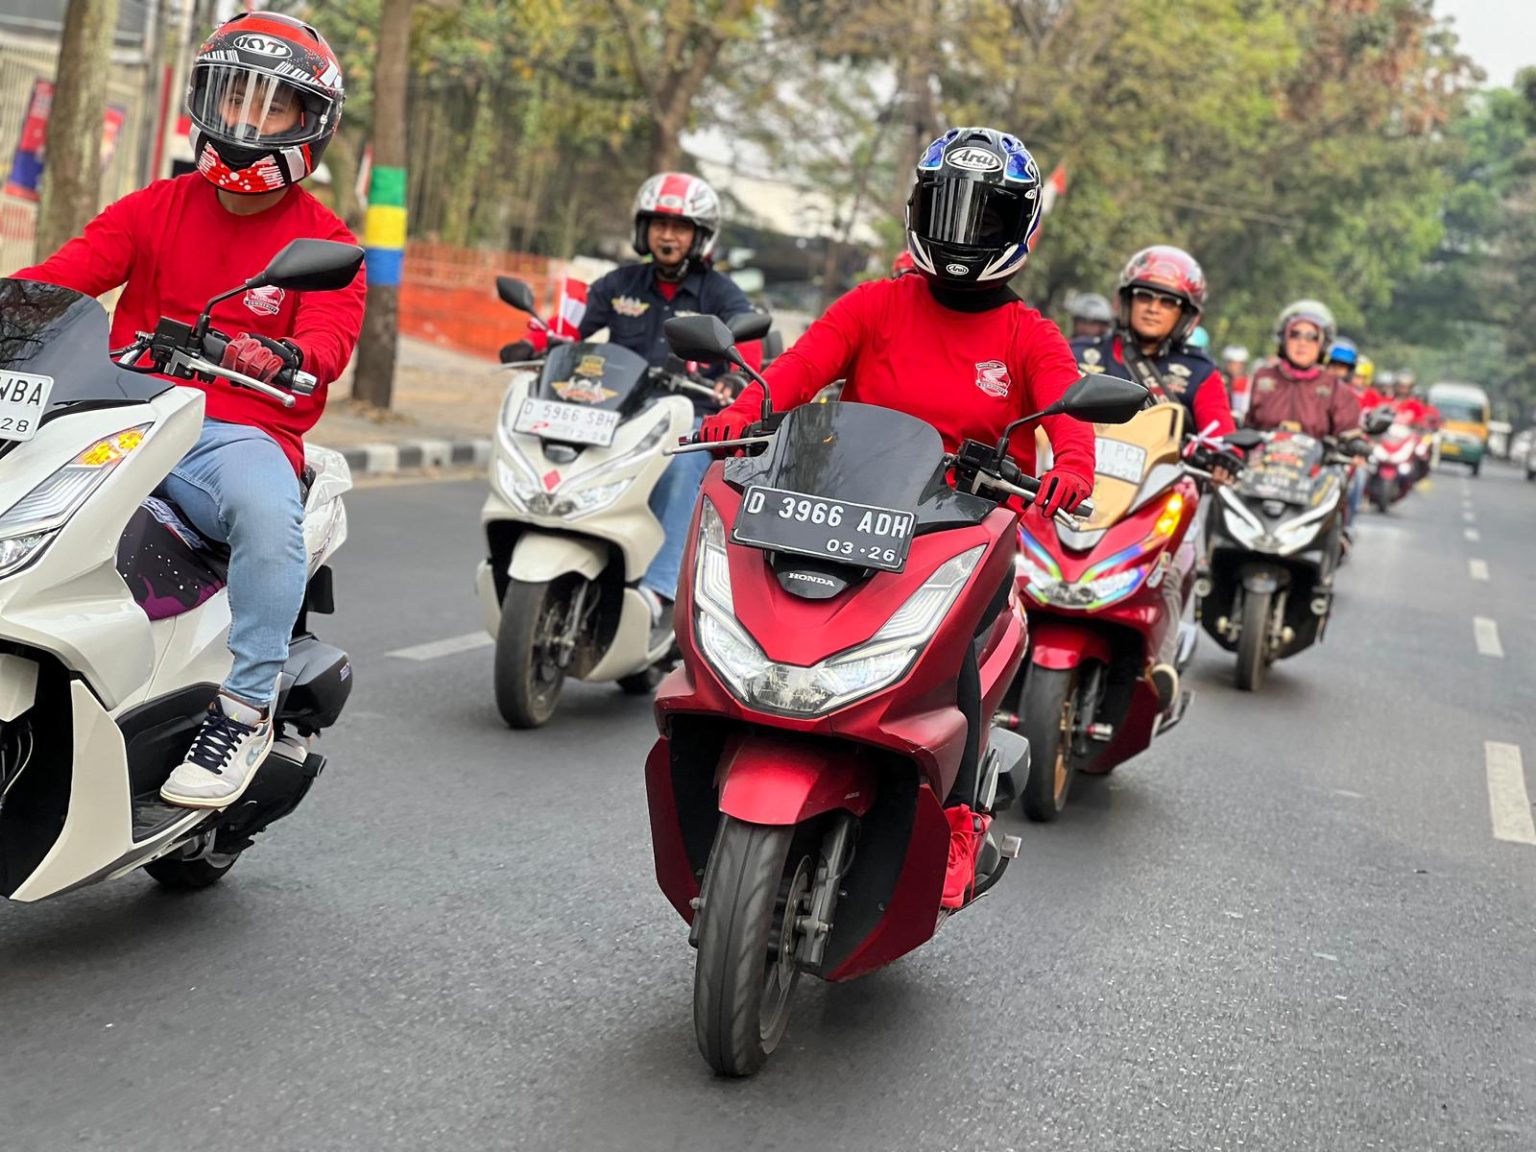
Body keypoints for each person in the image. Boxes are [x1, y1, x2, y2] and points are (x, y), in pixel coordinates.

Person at [701, 126, 1100, 907]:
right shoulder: (875, 302)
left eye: (982, 217)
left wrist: (1074, 470)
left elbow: (1067, 411)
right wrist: (744, 411)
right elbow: (801, 366)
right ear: (918, 211)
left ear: (1021, 228)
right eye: (947, 210)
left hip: (956, 534)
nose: (960, 233)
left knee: (974, 655)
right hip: (837, 509)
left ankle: (958, 817)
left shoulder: (1029, 335)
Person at [11, 12, 363, 809]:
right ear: (205, 102)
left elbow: (330, 341)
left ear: (310, 124)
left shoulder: (326, 240)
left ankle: (243, 708)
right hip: (120, 411)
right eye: (234, 95)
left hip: (233, 433)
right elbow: (61, 280)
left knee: (268, 515)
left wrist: (282, 355)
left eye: (272, 106)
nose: (247, 120)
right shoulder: (152, 207)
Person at [502, 173, 755, 645]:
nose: (667, 235)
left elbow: (747, 342)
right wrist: (531, 343)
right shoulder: (620, 284)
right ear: (644, 229)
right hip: (618, 412)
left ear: (700, 236)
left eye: (680, 227)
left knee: (688, 462)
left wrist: (733, 377)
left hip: (687, 416)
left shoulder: (718, 294)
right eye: (659, 224)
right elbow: (569, 327)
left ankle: (657, 591)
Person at [1068, 244, 1238, 710]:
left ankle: (1158, 662)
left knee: (1178, 561)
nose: (1153, 307)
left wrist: (1223, 454)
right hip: (1074, 488)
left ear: (1185, 315)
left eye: (1167, 302)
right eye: (1145, 296)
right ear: (1127, 299)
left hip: (1154, 502)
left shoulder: (1200, 374)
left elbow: (1222, 430)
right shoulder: (1081, 352)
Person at [1245, 300, 1363, 441]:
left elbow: (1349, 434)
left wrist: (1355, 445)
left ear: (1322, 343)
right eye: (1295, 334)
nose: (1302, 343)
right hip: (1261, 461)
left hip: (1317, 462)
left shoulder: (1334, 387)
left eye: (1311, 337)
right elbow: (1245, 425)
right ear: (1284, 338)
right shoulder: (1261, 377)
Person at [1221, 344, 1252, 419]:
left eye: (1240, 363)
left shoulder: (1249, 382)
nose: (1237, 367)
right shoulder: (1220, 381)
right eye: (1233, 363)